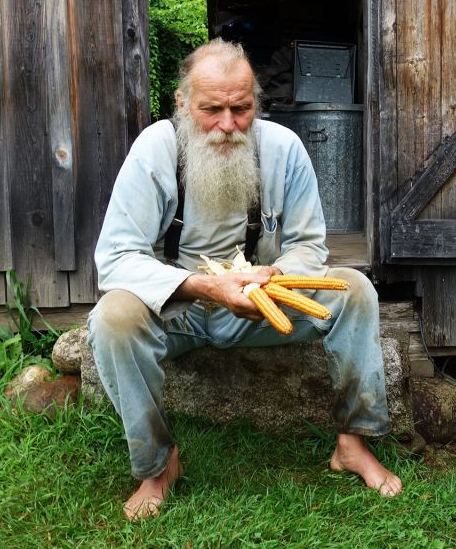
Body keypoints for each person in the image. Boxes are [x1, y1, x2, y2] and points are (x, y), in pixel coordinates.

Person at [87, 39, 402, 520]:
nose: (228, 125)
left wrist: (273, 278)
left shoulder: (283, 148)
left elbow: (310, 245)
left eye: (242, 108)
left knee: (354, 289)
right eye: (211, 109)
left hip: (263, 302)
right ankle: (158, 463)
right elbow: (114, 258)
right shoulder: (156, 148)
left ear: (257, 101)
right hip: (178, 308)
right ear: (182, 103)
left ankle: (351, 443)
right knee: (112, 318)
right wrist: (203, 287)